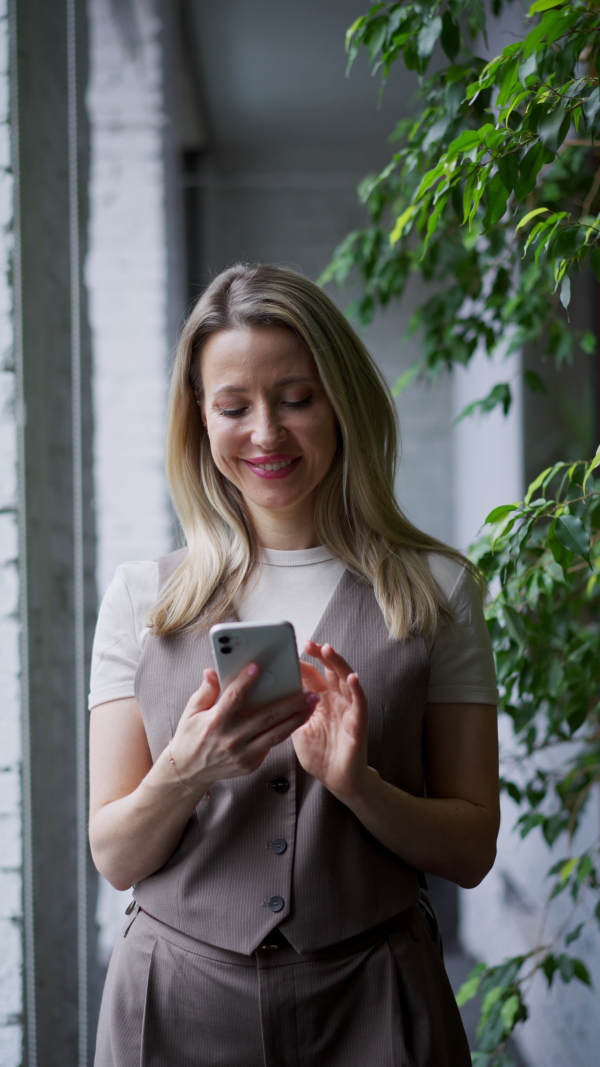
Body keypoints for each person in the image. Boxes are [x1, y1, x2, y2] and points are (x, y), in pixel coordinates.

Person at [89, 262, 500, 1067]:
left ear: (341, 402)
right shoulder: (143, 597)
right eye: (233, 406)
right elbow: (114, 856)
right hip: (175, 1004)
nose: (267, 433)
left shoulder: (438, 590)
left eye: (297, 398)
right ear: (199, 421)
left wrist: (361, 785)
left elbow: (472, 848)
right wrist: (184, 770)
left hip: (376, 999)